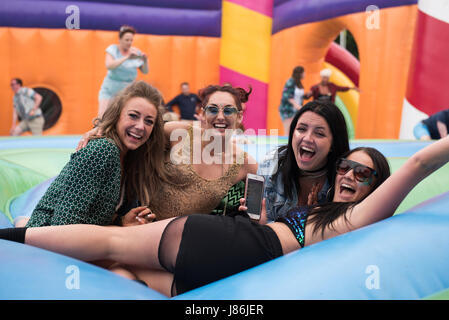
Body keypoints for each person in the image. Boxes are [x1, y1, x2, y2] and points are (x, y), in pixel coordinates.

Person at [15, 136, 449, 298]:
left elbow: (418, 165)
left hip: (235, 251)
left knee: (116, 254)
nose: (349, 175)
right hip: (236, 254)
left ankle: (15, 244)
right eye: (344, 167)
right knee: (117, 259)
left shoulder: (366, 216)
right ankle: (15, 246)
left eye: (363, 172)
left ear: (378, 185)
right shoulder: (327, 216)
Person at [78, 84, 258, 221]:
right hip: (137, 223)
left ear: (239, 116)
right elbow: (134, 135)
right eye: (212, 109)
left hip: (179, 241)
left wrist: (252, 214)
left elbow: (259, 210)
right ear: (202, 114)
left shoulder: (245, 163)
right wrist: (103, 128)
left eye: (228, 110)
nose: (220, 116)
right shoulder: (178, 134)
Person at [23, 81, 170, 227]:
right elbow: (63, 224)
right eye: (133, 116)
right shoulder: (103, 150)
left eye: (149, 121)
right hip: (46, 240)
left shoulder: (131, 157)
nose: (140, 126)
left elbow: (94, 214)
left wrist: (121, 220)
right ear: (117, 115)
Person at [259, 100, 350, 221]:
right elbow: (257, 221)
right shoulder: (272, 163)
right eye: (301, 129)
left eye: (319, 133)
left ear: (333, 143)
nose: (307, 138)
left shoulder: (347, 179)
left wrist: (312, 221)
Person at [98, 25, 149, 118]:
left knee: (122, 118)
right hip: (110, 90)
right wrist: (126, 57)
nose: (129, 42)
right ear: (120, 39)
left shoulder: (136, 52)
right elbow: (109, 66)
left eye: (131, 40)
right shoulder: (113, 49)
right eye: (127, 40)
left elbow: (145, 71)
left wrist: (145, 61)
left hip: (127, 92)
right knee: (102, 116)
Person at [279, 66, 306, 135]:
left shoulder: (299, 83)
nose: (305, 74)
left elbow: (299, 96)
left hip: (296, 111)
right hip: (288, 110)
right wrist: (298, 106)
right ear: (300, 73)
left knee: (295, 130)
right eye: (303, 72)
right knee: (288, 130)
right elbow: (288, 96)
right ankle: (287, 145)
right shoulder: (290, 82)